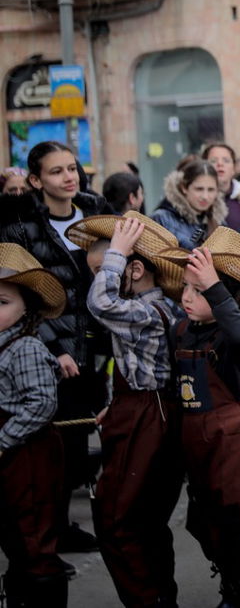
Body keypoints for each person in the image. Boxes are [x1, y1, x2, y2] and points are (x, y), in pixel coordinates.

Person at [157, 232, 240, 606]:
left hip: (237, 444)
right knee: (209, 524)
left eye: (200, 292)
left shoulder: (231, 336)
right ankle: (231, 587)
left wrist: (213, 286)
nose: (188, 298)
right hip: (198, 444)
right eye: (187, 289)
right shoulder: (180, 330)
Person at [0, 140, 112, 554]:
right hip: (48, 349)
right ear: (35, 180)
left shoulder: (97, 214)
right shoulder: (20, 225)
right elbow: (22, 295)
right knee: (52, 448)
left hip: (96, 343)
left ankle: (62, 527)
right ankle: (46, 536)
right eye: (56, 171)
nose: (69, 177)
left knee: (81, 440)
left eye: (72, 168)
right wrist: (52, 347)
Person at [69, 214, 184, 608]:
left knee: (120, 521)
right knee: (145, 520)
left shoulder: (148, 312)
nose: (100, 279)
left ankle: (148, 599)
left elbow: (99, 302)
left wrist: (116, 250)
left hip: (147, 415)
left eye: (105, 270)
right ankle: (158, 596)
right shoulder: (150, 308)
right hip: (139, 408)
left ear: (134, 268)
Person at [0, 243, 69, 607]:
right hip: (10, 453)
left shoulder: (25, 347)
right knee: (14, 533)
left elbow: (42, 402)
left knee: (33, 534)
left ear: (27, 306)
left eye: (2, 302)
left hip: (28, 453)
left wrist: (3, 439)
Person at [151, 158, 226, 250]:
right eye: (199, 189)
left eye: (211, 190)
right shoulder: (162, 219)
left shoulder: (220, 224)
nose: (205, 196)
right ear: (184, 188)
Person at [201, 142, 240, 233]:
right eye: (213, 161)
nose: (220, 164)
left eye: (226, 160)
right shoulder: (196, 200)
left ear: (233, 168)